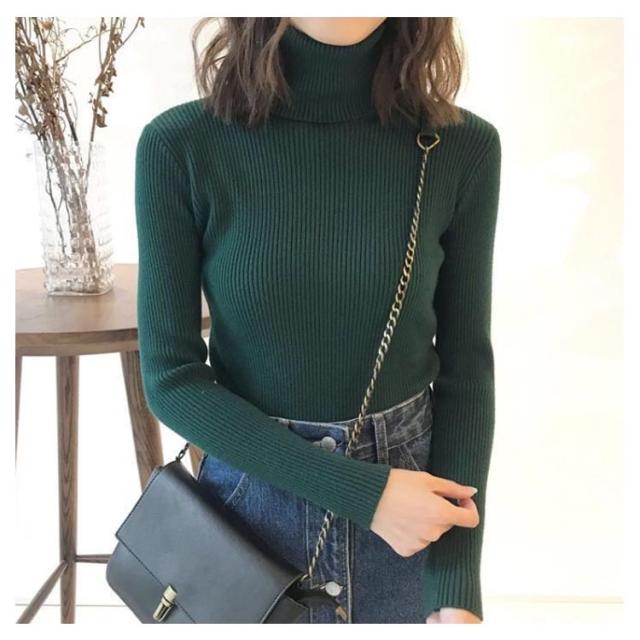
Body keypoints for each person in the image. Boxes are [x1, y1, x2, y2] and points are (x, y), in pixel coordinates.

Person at [134, 16, 501, 624]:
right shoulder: (182, 145)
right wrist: (363, 494)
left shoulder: (460, 147)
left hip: (412, 516)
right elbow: (171, 377)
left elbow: (467, 370)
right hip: (250, 513)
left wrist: (456, 581)